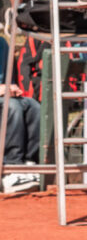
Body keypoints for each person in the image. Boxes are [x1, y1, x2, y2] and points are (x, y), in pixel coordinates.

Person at [0, 37, 40, 194]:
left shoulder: (2, 43)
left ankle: (29, 165)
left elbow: (8, 80)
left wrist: (12, 88)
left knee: (33, 106)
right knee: (12, 107)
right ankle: (11, 169)